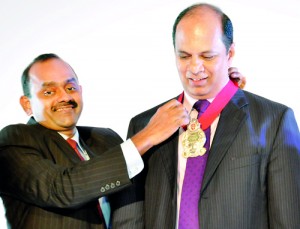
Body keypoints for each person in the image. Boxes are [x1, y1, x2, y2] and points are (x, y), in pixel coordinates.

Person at [111, 3, 300, 229]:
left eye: (207, 56)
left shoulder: (273, 121)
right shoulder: (143, 126)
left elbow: (289, 219)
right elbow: (129, 220)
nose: (195, 68)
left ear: (229, 54)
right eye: (184, 56)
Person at [0, 53, 192, 229]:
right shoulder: (13, 140)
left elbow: (129, 209)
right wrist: (147, 136)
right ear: (27, 104)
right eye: (49, 92)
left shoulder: (105, 139)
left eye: (70, 88)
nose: (65, 97)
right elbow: (62, 188)